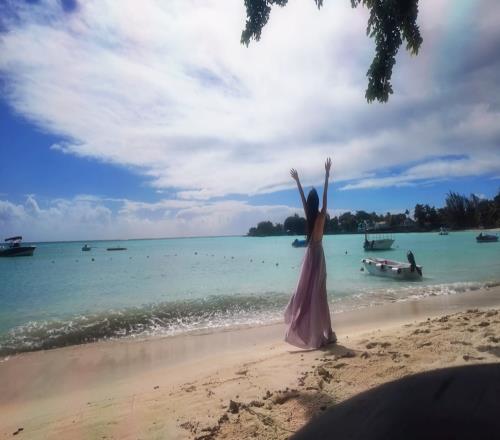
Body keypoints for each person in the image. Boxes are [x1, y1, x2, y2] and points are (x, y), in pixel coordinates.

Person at [285, 158, 336, 349]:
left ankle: (313, 330)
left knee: (306, 293)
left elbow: (302, 199)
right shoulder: (321, 217)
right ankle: (328, 333)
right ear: (318, 204)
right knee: (320, 297)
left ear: (309, 204)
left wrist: (297, 181)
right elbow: (325, 196)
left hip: (309, 257)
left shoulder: (310, 217)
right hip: (318, 258)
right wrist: (327, 174)